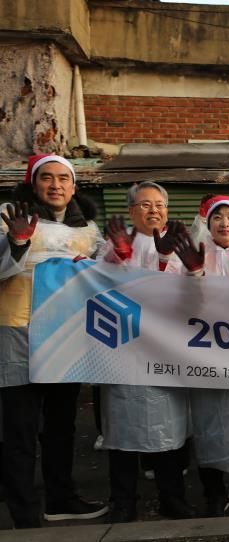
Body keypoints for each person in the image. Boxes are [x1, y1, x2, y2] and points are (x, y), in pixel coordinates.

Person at [0, 154, 107, 528]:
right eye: (47, 177)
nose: (56, 185)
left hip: (65, 335)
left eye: (64, 178)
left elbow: (106, 276)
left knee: (61, 426)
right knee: (20, 430)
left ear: (74, 187)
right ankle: (24, 512)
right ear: (33, 184)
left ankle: (61, 498)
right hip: (18, 333)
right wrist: (16, 241)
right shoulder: (8, 216)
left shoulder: (89, 230)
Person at [165, 195, 229, 517]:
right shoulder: (191, 254)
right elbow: (172, 302)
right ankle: (213, 493)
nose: (225, 223)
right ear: (208, 223)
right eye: (217, 217)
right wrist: (194, 273)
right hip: (205, 360)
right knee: (209, 425)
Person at [98, 181, 194, 522]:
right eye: (145, 204)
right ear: (130, 210)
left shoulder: (181, 245)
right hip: (123, 351)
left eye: (159, 204)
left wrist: (165, 259)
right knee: (122, 430)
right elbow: (99, 288)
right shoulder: (113, 243)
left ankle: (172, 499)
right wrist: (120, 256)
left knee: (169, 429)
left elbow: (190, 293)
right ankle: (123, 502)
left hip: (166, 351)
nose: (154, 210)